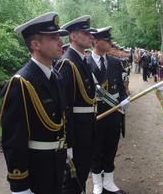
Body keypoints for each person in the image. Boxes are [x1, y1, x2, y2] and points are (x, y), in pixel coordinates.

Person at [0, 12, 69, 194]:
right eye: (53, 38)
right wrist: (20, 185)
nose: (61, 43)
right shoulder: (20, 83)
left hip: (56, 165)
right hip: (36, 172)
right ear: (35, 44)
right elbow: (13, 140)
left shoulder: (57, 77)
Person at [55, 15, 97, 194]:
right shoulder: (67, 63)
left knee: (80, 177)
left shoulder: (81, 60)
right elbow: (65, 108)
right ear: (73, 37)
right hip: (77, 136)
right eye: (86, 33)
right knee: (71, 183)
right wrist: (68, 143)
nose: (91, 36)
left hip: (86, 131)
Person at [86, 26, 131, 194]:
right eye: (107, 40)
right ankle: (97, 183)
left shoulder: (114, 62)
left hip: (113, 113)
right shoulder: (85, 64)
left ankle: (109, 182)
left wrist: (124, 98)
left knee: (111, 147)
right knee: (96, 149)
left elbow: (120, 86)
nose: (111, 43)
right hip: (95, 115)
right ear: (96, 42)